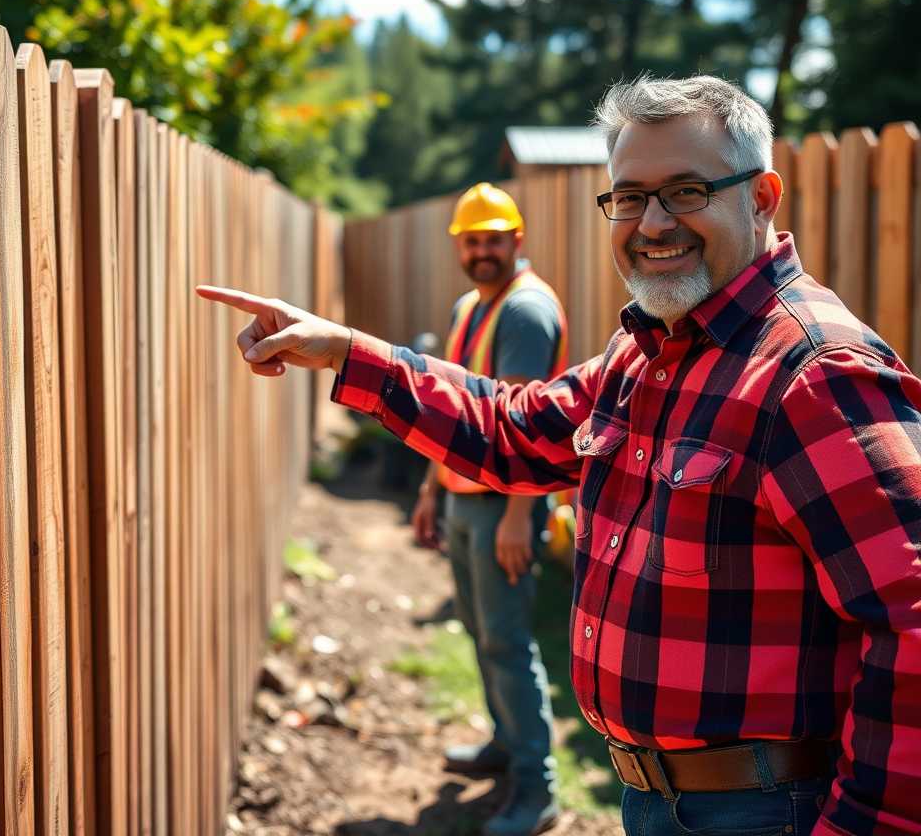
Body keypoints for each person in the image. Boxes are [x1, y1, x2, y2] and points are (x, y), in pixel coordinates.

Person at [197, 75, 921, 836]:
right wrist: (345, 351)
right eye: (630, 196)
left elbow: (911, 622)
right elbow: (513, 432)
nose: (652, 222)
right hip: (662, 800)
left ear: (764, 197)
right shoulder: (647, 352)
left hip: (768, 810)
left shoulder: (815, 374)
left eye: (685, 191)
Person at [409, 182, 567, 836]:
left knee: (507, 641)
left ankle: (537, 789)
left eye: (492, 239)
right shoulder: (472, 304)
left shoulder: (525, 313)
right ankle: (506, 746)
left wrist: (515, 517)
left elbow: (526, 431)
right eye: (471, 240)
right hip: (464, 496)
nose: (481, 251)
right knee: (484, 634)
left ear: (516, 240)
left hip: (504, 509)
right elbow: (453, 410)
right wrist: (430, 488)